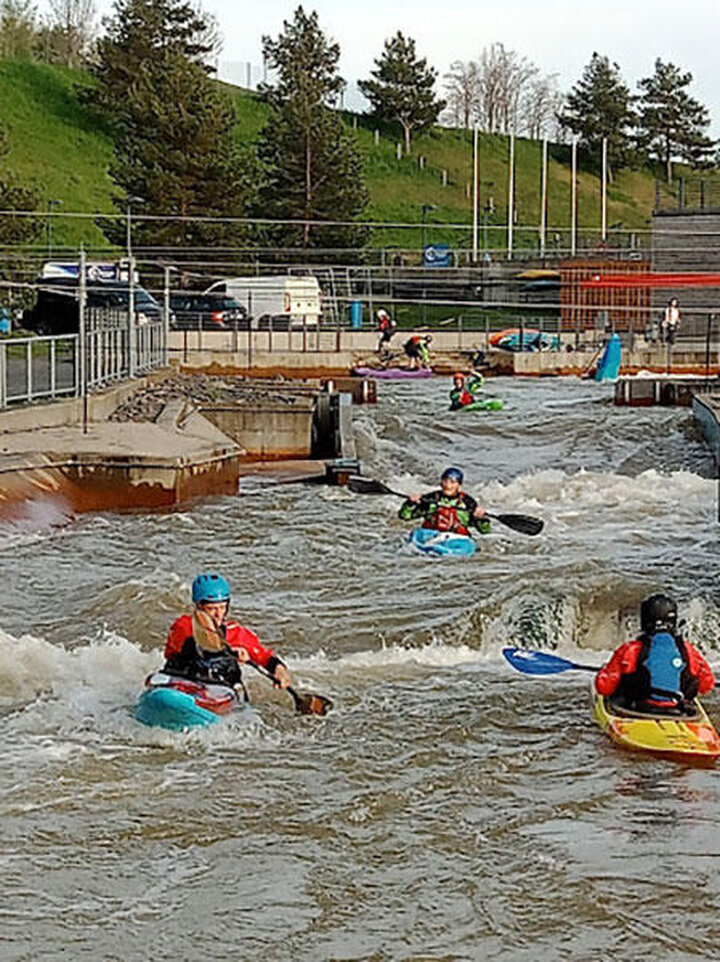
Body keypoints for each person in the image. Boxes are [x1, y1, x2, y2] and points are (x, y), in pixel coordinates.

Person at [163, 573, 292, 692]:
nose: (218, 614)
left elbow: (265, 658)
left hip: (219, 689)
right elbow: (177, 651)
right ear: (199, 608)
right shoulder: (183, 626)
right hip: (185, 680)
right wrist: (229, 652)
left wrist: (279, 670)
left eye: (222, 607)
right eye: (211, 609)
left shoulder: (236, 633)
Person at [595, 593, 714, 714]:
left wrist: (603, 671)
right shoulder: (688, 650)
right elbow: (707, 685)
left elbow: (603, 687)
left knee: (621, 683)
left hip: (639, 708)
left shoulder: (630, 650)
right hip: (676, 710)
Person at [398, 467, 490, 535]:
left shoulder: (468, 502)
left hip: (457, 539)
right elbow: (404, 516)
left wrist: (481, 518)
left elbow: (485, 531)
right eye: (445, 481)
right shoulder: (431, 498)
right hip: (431, 536)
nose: (448, 485)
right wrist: (410, 503)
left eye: (452, 482)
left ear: (459, 485)